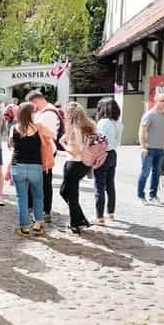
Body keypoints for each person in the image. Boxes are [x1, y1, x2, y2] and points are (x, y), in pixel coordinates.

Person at [9, 102, 54, 237]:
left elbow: (11, 144)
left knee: (21, 198)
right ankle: (37, 225)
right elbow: (52, 135)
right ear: (30, 114)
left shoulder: (14, 128)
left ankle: (24, 228)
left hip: (18, 167)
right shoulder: (38, 127)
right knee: (38, 196)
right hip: (35, 167)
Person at [59, 102, 94, 234]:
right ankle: (81, 219)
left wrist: (63, 144)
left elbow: (74, 151)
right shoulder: (88, 126)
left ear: (69, 114)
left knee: (71, 195)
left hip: (73, 163)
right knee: (65, 192)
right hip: (84, 164)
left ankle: (75, 224)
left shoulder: (74, 129)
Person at [29, 90, 61, 223]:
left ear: (36, 101)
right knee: (40, 181)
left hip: (46, 150)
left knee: (45, 182)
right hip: (42, 150)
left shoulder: (48, 113)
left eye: (32, 104)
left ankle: (46, 210)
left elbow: (47, 134)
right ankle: (40, 209)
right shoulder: (44, 112)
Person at [94, 98, 124, 224]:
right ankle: (110, 213)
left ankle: (99, 216)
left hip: (103, 154)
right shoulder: (118, 123)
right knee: (110, 185)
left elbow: (99, 141)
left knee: (99, 186)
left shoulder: (103, 122)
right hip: (113, 154)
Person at [137, 93, 164, 205]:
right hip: (149, 149)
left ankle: (153, 195)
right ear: (156, 101)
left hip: (160, 149)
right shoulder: (149, 114)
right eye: (163, 100)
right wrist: (143, 147)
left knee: (157, 173)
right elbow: (142, 131)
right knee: (145, 172)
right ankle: (141, 196)